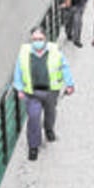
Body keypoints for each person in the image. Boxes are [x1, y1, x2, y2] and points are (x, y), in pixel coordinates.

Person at [12, 27, 76, 161]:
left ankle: (49, 129)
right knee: (34, 117)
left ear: (45, 39)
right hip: (32, 92)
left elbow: (64, 66)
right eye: (34, 40)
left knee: (50, 113)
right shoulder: (24, 53)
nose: (37, 42)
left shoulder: (54, 51)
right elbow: (18, 71)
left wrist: (69, 84)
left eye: (40, 39)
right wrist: (19, 88)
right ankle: (33, 146)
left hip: (51, 91)